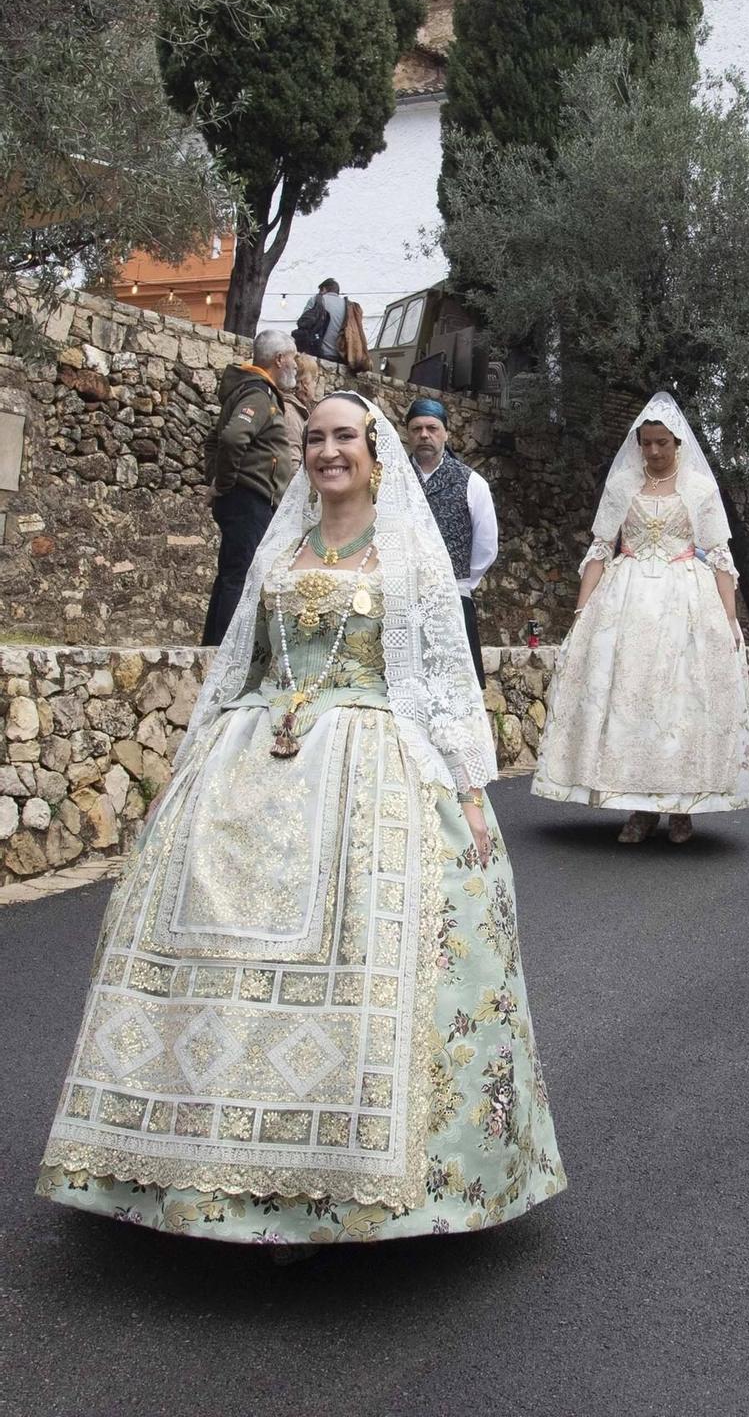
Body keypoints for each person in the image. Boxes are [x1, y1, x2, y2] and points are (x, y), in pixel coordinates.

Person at [38, 392, 565, 1244]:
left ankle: (346, 1185)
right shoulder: (281, 548)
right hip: (255, 754)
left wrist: (470, 794)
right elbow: (237, 668)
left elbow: (441, 683)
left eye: (343, 437)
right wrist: (189, 771)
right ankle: (206, 1169)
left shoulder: (412, 559)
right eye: (314, 438)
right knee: (215, 942)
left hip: (374, 761)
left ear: (375, 451)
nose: (327, 451)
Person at [532, 393, 749, 845]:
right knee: (628, 701)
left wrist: (730, 620)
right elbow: (599, 549)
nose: (653, 452)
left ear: (677, 443)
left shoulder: (698, 488)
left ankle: (681, 809)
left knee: (681, 703)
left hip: (685, 600)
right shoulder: (622, 487)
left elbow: (720, 557)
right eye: (646, 443)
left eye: (661, 444)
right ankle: (637, 807)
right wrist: (581, 612)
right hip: (626, 599)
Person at [201, 330, 299, 647]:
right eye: (293, 357)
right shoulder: (258, 394)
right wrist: (224, 483)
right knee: (239, 576)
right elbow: (231, 438)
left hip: (246, 498)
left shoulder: (251, 391)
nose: (296, 364)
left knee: (232, 573)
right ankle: (221, 651)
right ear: (279, 359)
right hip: (249, 499)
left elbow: (216, 439)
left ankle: (212, 647)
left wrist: (218, 482)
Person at [405, 395, 499, 689]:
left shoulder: (472, 483)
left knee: (454, 689)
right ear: (408, 433)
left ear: (445, 432)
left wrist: (460, 581)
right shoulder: (392, 480)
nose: (424, 435)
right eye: (417, 428)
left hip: (452, 596)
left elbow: (486, 546)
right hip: (400, 596)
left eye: (432, 428)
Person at [294, 278, 347, 363]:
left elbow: (302, 323)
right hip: (340, 356)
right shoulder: (347, 305)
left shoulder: (316, 300)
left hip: (317, 354)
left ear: (324, 289)